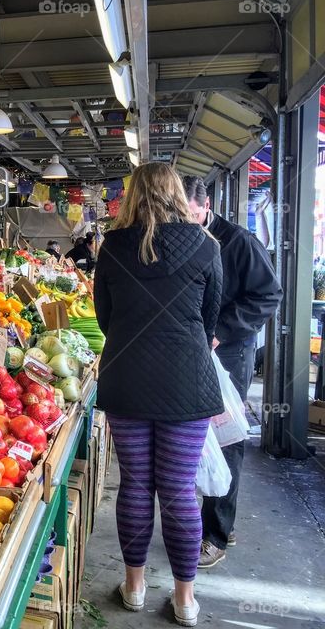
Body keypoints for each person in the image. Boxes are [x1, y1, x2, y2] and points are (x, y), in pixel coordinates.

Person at [94, 163, 223, 627]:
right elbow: (210, 320)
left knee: (134, 484)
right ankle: (185, 599)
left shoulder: (112, 246)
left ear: (132, 197)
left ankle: (133, 586)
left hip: (125, 381)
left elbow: (104, 317)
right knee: (179, 492)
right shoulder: (208, 247)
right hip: (187, 385)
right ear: (176, 194)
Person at [182, 176, 282, 569]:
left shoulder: (238, 242)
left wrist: (221, 331)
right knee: (198, 433)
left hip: (230, 353)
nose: (186, 223)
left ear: (205, 208)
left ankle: (216, 534)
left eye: (191, 215)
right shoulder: (186, 238)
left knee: (226, 434)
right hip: (195, 351)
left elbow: (268, 294)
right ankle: (223, 512)